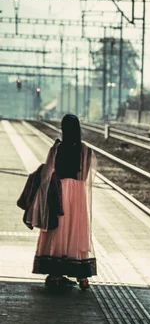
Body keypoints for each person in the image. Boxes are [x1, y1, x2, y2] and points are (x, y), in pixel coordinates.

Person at [21, 114, 97, 290]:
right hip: (78, 195)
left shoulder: (56, 149)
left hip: (60, 192)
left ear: (63, 130)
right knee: (76, 231)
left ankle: (56, 274)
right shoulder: (86, 150)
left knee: (59, 230)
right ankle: (82, 277)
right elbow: (85, 175)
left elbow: (48, 173)